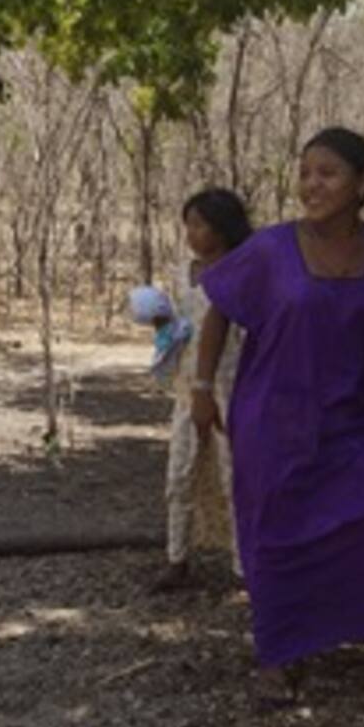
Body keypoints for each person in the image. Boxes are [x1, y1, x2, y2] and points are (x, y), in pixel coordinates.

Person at [191, 127, 364, 704]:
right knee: (278, 534)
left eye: (328, 173)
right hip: (275, 416)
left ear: (362, 184)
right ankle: (280, 656)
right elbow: (219, 309)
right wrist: (202, 385)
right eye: (306, 172)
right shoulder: (271, 250)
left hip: (356, 415)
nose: (311, 185)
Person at [145, 189, 252, 592]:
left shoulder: (243, 274)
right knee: (180, 470)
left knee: (233, 474)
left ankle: (244, 566)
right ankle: (177, 557)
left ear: (223, 228)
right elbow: (178, 330)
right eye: (187, 224)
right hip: (188, 387)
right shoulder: (183, 272)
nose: (191, 233)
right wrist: (160, 325)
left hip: (232, 386)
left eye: (200, 224)